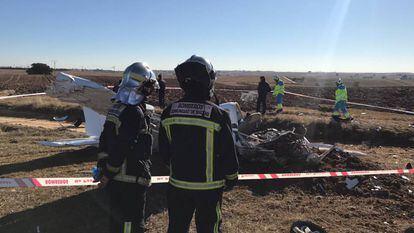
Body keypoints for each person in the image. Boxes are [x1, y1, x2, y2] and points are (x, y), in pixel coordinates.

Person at [158, 55, 239, 233]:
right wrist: (232, 178)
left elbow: (163, 153)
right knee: (209, 228)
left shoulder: (168, 112)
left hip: (177, 185)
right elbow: (228, 152)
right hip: (209, 189)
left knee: (177, 227)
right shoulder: (218, 114)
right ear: (209, 80)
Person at [96, 62, 158, 233]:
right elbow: (122, 146)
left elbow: (104, 140)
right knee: (130, 224)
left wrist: (103, 168)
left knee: (116, 222)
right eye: (149, 87)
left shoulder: (116, 108)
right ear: (143, 87)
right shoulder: (134, 113)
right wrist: (108, 173)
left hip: (116, 181)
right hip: (131, 180)